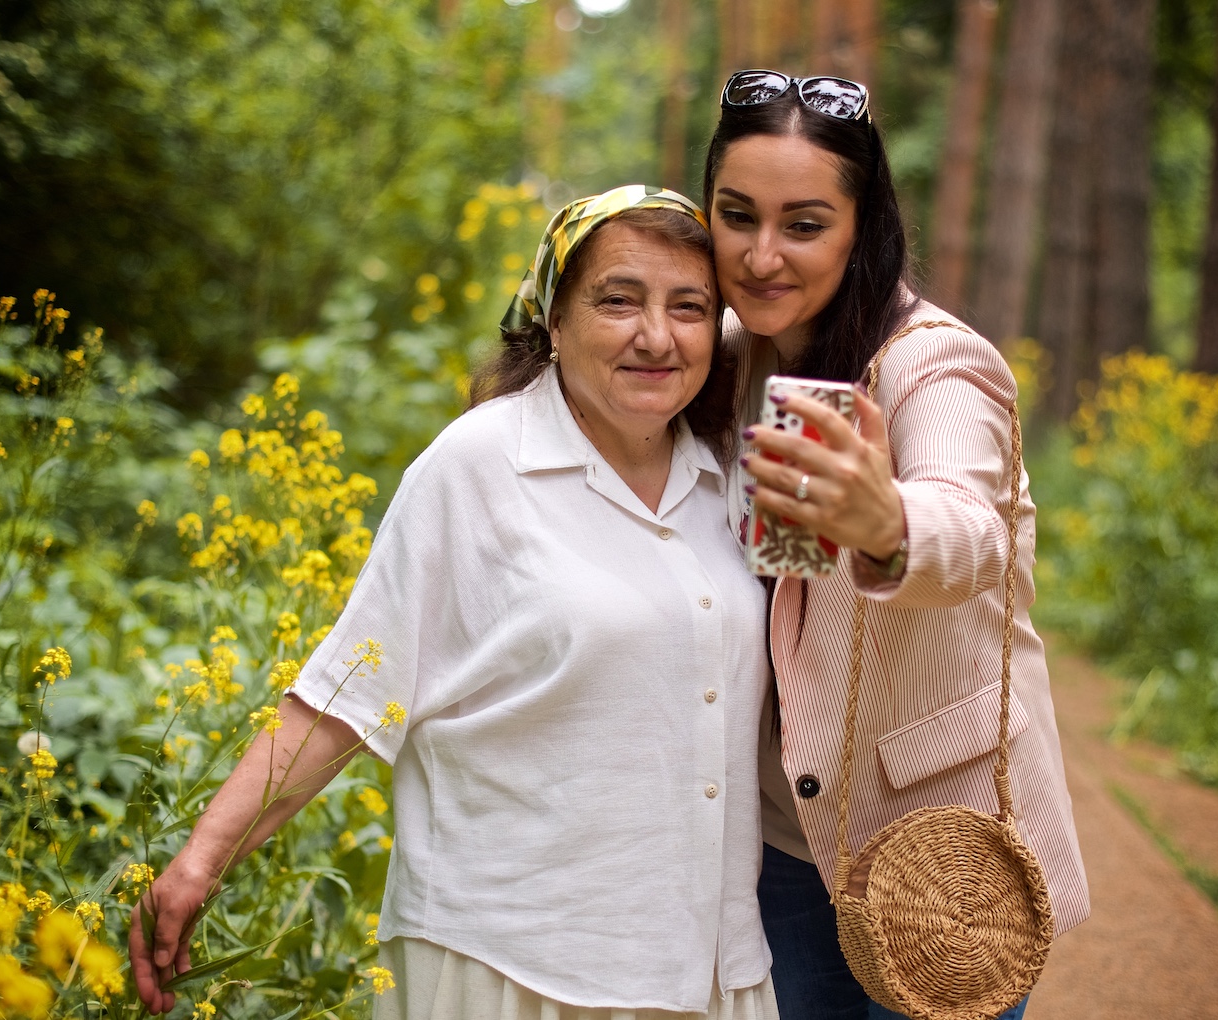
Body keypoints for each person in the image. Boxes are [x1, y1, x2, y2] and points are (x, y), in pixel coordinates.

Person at [129, 185, 781, 1019]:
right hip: (511, 963)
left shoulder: (729, 474)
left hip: (712, 968)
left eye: (688, 307)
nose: (656, 335)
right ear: (556, 317)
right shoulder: (478, 466)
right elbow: (347, 696)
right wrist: (199, 865)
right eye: (618, 300)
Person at [700, 70, 1090, 1020]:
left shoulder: (933, 362)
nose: (760, 257)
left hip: (941, 853)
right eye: (736, 214)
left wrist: (886, 525)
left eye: (804, 224)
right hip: (784, 847)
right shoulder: (715, 353)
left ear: (861, 227)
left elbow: (968, 527)